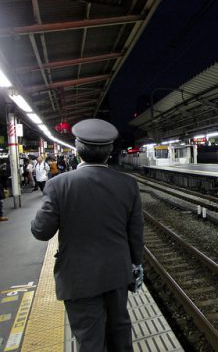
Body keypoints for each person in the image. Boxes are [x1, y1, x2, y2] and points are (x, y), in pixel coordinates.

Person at [31, 118, 144, 352]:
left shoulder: (58, 185)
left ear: (78, 150)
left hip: (78, 278)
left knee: (90, 341)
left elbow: (41, 232)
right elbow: (135, 233)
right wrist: (136, 265)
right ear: (110, 151)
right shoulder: (128, 184)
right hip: (117, 273)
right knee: (121, 334)